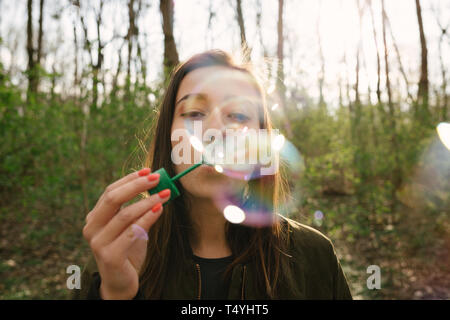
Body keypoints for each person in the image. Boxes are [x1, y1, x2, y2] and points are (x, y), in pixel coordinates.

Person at [74, 50, 352, 300]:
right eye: (194, 113)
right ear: (168, 137)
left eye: (239, 116)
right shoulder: (118, 255)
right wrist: (116, 294)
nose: (215, 131)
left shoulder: (315, 256)